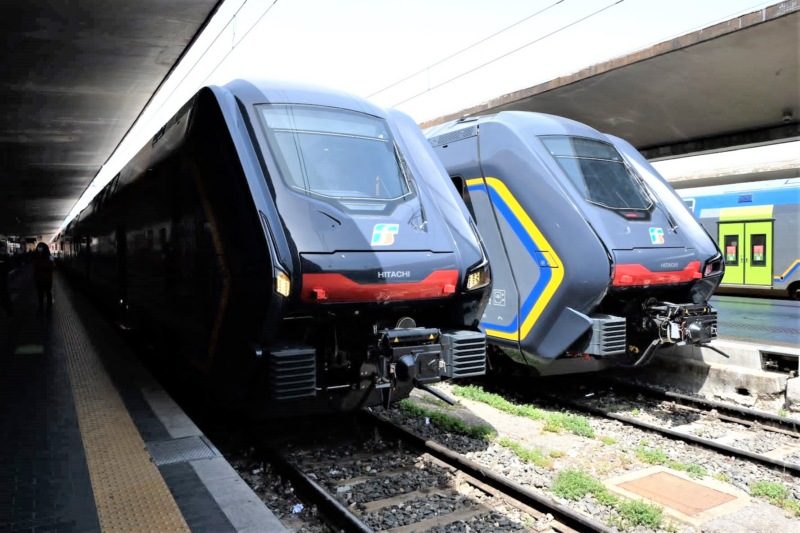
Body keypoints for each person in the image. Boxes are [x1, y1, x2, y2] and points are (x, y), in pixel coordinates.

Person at [32, 242, 54, 314]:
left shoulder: (36, 257)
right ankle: (46, 309)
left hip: (44, 279)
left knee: (43, 294)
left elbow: (51, 266)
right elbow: (52, 266)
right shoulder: (49, 256)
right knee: (45, 294)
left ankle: (44, 309)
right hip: (44, 279)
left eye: (40, 247)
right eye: (39, 247)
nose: (39, 249)